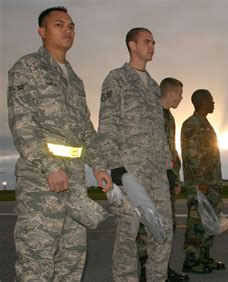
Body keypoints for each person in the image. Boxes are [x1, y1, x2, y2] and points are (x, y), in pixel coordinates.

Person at [7, 6, 112, 280]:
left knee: (71, 265)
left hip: (74, 185)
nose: (68, 30)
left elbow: (86, 130)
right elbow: (22, 123)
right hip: (42, 185)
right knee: (37, 266)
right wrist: (49, 166)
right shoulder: (27, 68)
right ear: (42, 32)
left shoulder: (75, 80)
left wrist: (99, 166)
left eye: (72, 26)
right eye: (59, 24)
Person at [98, 27, 173, 281]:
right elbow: (107, 125)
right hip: (130, 173)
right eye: (147, 41)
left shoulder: (153, 86)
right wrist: (116, 166)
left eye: (154, 42)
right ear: (132, 44)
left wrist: (168, 166)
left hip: (156, 173)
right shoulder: (116, 78)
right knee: (127, 235)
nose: (152, 46)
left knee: (163, 232)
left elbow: (158, 130)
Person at [136, 77, 188, 281]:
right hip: (151, 180)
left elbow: (171, 150)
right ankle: (145, 271)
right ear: (171, 93)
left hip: (167, 180)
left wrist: (175, 178)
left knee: (167, 226)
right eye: (180, 93)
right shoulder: (151, 113)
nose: (181, 97)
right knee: (148, 226)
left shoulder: (169, 117)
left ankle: (161, 269)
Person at [180, 89, 225, 274]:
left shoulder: (206, 123)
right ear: (202, 101)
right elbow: (191, 155)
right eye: (211, 100)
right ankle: (191, 261)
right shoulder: (191, 124)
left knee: (209, 221)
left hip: (212, 183)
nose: (214, 103)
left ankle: (204, 257)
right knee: (196, 223)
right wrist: (200, 181)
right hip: (201, 184)